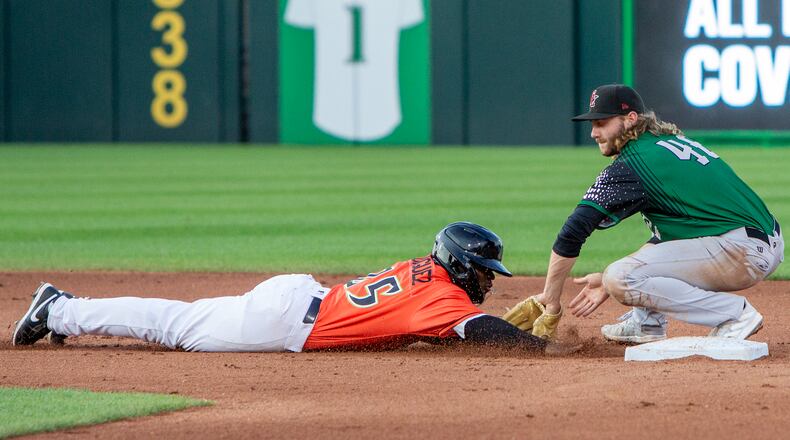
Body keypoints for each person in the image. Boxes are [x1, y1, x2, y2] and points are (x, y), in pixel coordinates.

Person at [504, 84, 784, 344]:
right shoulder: (663, 145)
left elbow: (574, 230)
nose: (594, 133)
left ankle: (734, 314)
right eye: (592, 123)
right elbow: (671, 237)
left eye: (602, 122)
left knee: (620, 277)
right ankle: (646, 323)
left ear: (630, 119)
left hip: (741, 249)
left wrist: (550, 299)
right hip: (754, 242)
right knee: (618, 274)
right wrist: (604, 281)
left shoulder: (635, 163)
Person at [13, 222, 551, 353]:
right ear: (458, 265)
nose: (487, 281)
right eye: (483, 271)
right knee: (174, 325)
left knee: (181, 316)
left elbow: (448, 328)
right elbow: (484, 332)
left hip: (297, 297)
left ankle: (66, 310)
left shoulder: (425, 272)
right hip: (287, 320)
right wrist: (540, 347)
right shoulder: (440, 297)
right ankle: (60, 310)